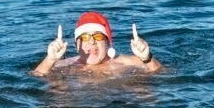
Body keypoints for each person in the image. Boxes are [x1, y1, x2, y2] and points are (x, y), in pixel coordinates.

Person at [32, 11, 164, 76]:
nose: (91, 41)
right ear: (76, 44)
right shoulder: (63, 65)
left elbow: (162, 73)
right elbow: (36, 77)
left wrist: (147, 58)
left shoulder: (128, 62)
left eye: (98, 36)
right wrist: (49, 60)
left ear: (108, 42)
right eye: (84, 37)